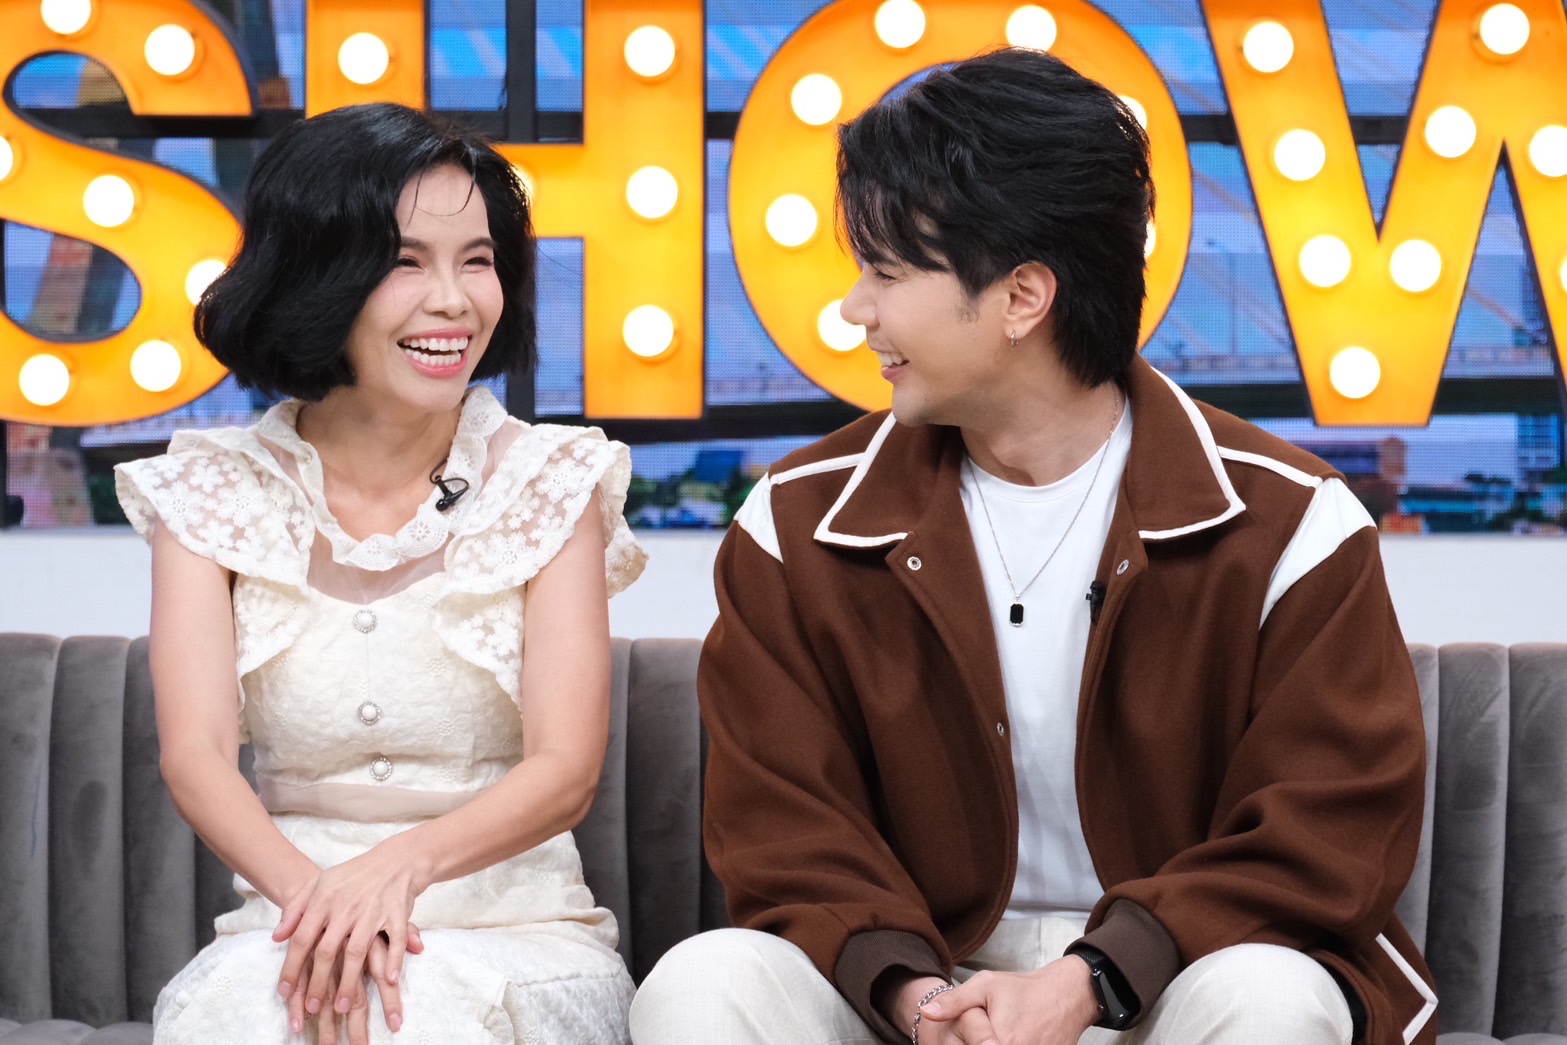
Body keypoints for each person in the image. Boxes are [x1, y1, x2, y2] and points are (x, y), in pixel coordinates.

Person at [630, 48, 1436, 1045]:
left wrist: (1093, 977)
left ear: (1022, 297)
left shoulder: (1293, 523)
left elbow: (1327, 830)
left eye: (885, 271)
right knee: (703, 982)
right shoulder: (794, 524)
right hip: (910, 979)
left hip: (1178, 972)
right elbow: (783, 826)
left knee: (1268, 997)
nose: (854, 308)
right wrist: (916, 997)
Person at [116, 102, 645, 1044]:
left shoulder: (552, 478)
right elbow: (195, 754)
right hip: (288, 922)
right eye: (405, 262)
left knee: (416, 1017)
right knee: (242, 1017)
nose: (453, 301)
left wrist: (394, 872)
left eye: (476, 260)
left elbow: (566, 770)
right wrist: (322, 907)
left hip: (512, 929)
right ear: (317, 275)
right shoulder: (209, 489)